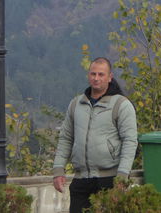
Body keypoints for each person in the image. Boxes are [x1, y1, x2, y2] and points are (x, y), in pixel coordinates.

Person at [53, 57, 138, 213]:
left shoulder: (121, 105)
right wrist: (58, 170)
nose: (96, 78)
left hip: (110, 180)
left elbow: (130, 141)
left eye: (101, 74)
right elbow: (66, 138)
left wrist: (122, 176)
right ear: (88, 75)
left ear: (110, 77)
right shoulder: (76, 104)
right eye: (93, 74)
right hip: (80, 180)